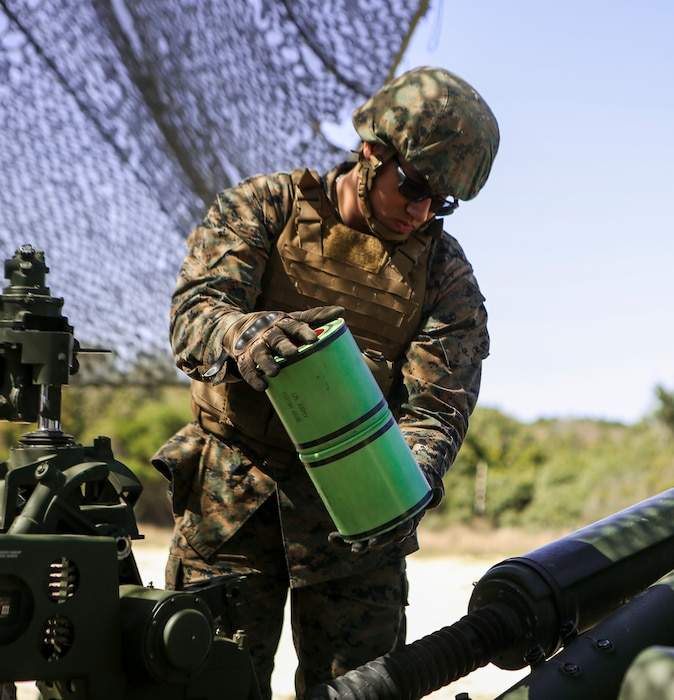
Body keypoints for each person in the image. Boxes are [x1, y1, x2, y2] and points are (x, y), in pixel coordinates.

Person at [151, 66, 499, 699]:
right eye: (414, 185)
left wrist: (408, 483)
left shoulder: (445, 278)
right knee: (203, 684)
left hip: (356, 516)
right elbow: (196, 314)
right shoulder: (263, 208)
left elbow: (437, 409)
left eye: (442, 202)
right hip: (230, 498)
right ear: (371, 152)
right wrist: (244, 336)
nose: (421, 212)